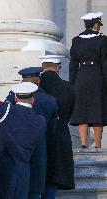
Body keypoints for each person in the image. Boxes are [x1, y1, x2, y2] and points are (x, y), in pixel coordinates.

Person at [0, 82, 46, 199]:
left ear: (16, 98)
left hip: (1, 168)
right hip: (23, 172)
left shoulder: (6, 110)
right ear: (33, 100)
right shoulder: (40, 120)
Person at [5, 67, 58, 199]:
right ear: (38, 81)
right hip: (39, 149)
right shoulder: (49, 101)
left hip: (15, 150)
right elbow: (52, 129)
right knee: (34, 189)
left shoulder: (11, 99)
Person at [69, 12, 107, 149]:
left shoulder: (76, 40)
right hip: (97, 77)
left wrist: (72, 84)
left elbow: (73, 65)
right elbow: (105, 63)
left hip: (81, 77)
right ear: (96, 24)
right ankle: (97, 145)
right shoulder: (102, 40)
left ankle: (84, 143)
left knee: (82, 111)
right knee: (97, 111)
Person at [39, 55, 75, 198]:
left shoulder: (36, 87)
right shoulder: (69, 88)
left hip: (38, 134)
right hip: (60, 133)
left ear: (43, 67)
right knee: (54, 174)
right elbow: (70, 113)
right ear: (58, 68)